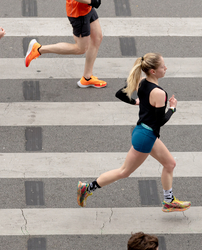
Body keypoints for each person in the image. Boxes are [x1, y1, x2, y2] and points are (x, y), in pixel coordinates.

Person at [77, 53, 191, 212]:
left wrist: (137, 101)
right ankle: (87, 188)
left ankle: (169, 201)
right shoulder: (159, 93)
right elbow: (159, 122)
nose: (165, 68)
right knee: (124, 172)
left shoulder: (142, 82)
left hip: (144, 132)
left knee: (170, 164)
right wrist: (172, 108)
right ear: (152, 71)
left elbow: (120, 93)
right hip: (146, 136)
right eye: (162, 66)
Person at [25, 0, 106, 88]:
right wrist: (91, 1)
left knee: (97, 38)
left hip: (87, 8)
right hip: (79, 12)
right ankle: (38, 49)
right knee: (80, 48)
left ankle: (87, 78)